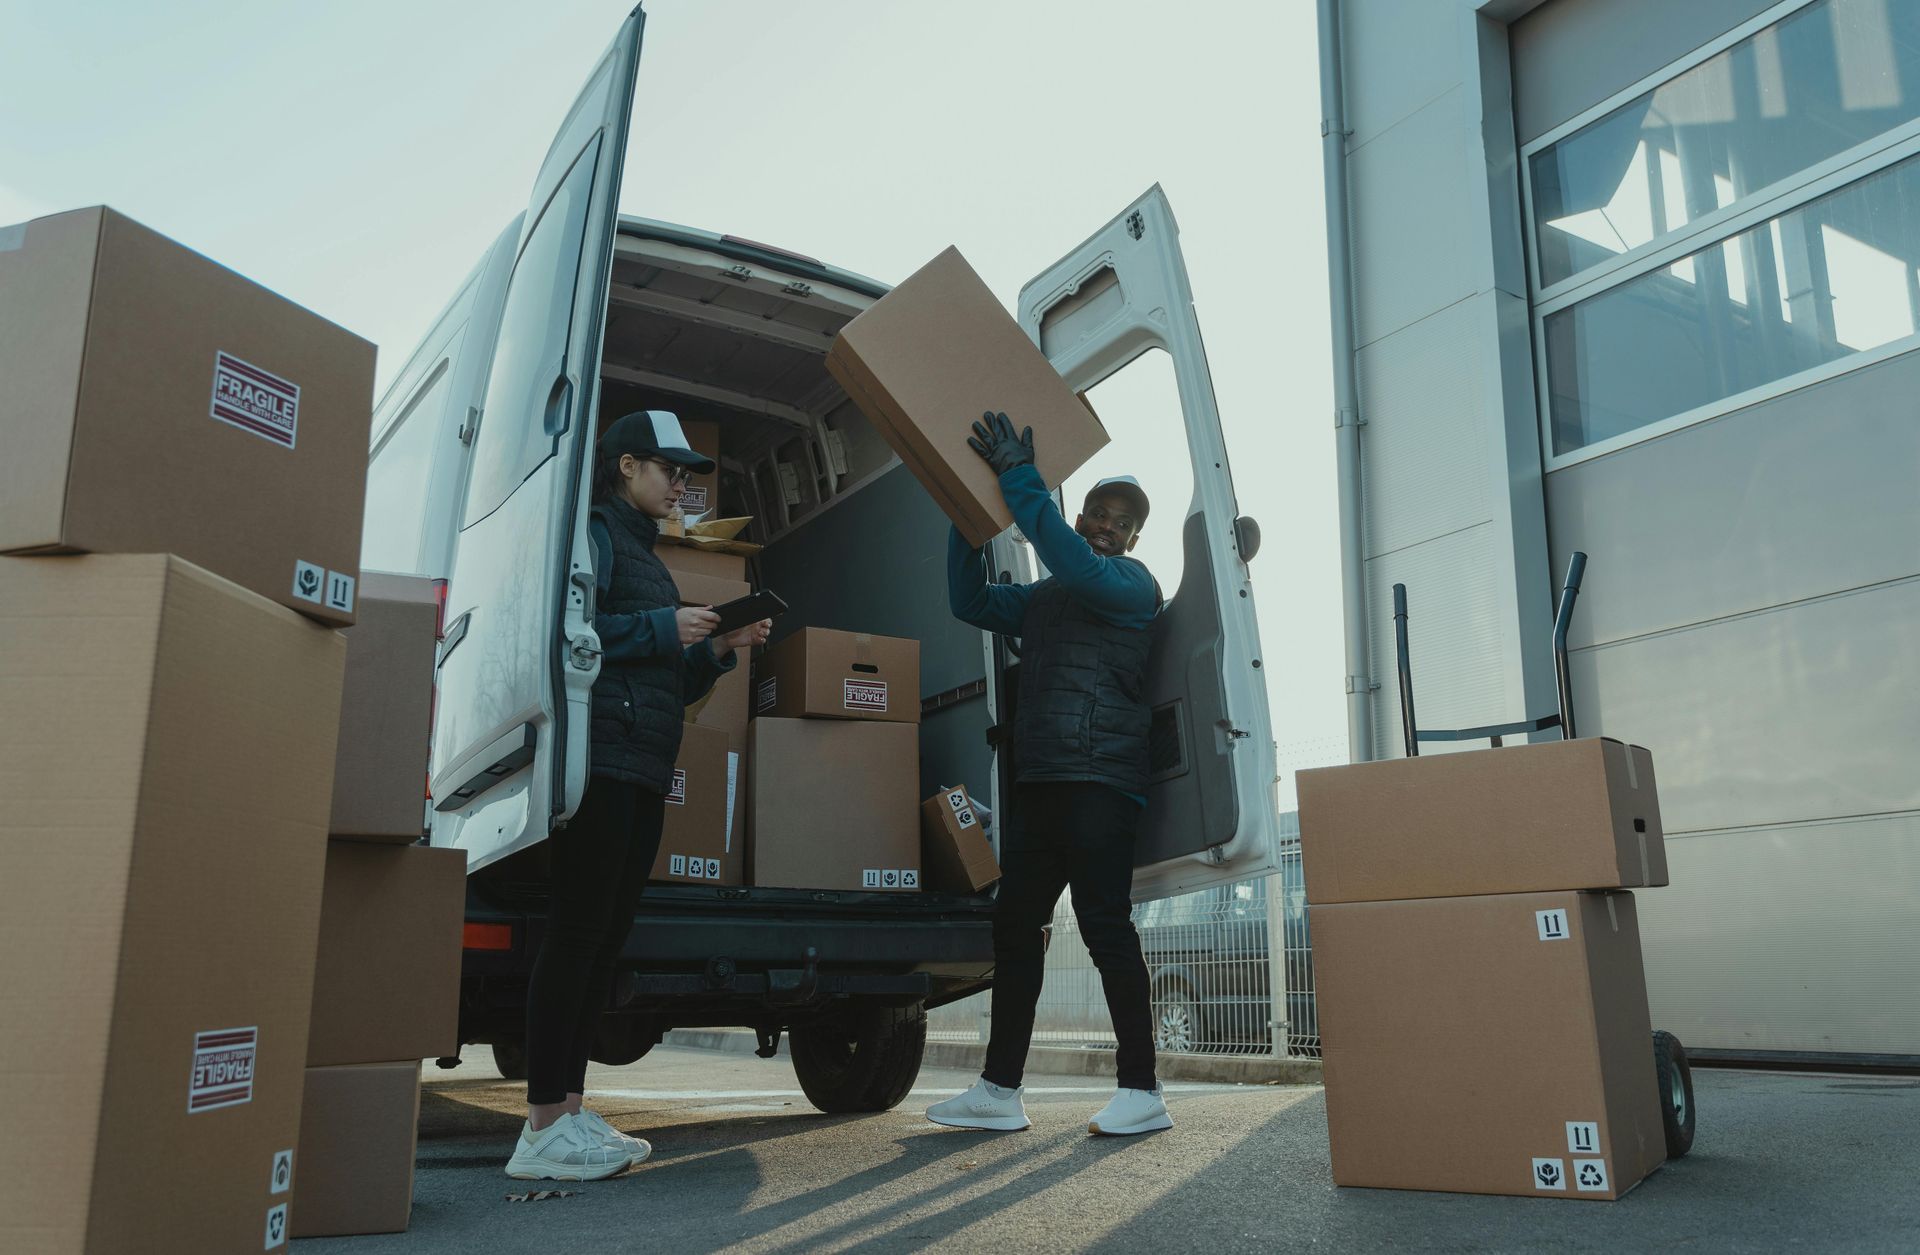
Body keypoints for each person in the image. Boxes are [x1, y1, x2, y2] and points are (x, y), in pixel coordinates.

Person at [506, 410, 772, 1181]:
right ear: (626, 466)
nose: (681, 484)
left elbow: (665, 676)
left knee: (605, 937)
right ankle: (540, 1126)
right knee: (577, 932)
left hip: (644, 764)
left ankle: (572, 1113)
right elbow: (565, 630)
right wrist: (665, 625)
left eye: (687, 473)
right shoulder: (593, 533)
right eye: (668, 469)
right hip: (601, 762)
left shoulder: (650, 559)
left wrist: (716, 646)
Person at [926, 411, 1170, 1137]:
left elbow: (1072, 559)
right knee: (1014, 927)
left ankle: (1142, 1089)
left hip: (1100, 783)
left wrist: (1019, 480)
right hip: (1040, 785)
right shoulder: (1043, 599)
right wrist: (968, 517)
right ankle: (999, 1091)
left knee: (1104, 928)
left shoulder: (1131, 584)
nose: (1105, 524)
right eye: (1098, 509)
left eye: (1121, 520)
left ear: (1133, 539)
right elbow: (967, 601)